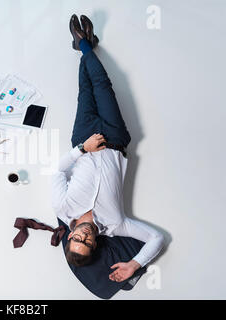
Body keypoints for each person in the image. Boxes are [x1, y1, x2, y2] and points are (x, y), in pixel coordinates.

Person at [51, 14, 164, 283]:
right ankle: (84, 44)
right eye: (87, 243)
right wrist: (134, 265)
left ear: (70, 235)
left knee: (85, 91)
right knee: (102, 85)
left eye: (77, 239)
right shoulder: (116, 224)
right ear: (94, 245)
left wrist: (82, 149)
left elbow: (55, 171)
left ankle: (84, 45)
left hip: (84, 138)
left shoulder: (63, 208)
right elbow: (156, 238)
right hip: (115, 139)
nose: (84, 236)